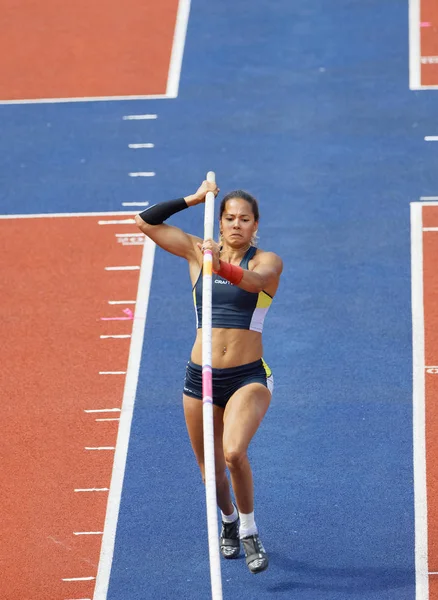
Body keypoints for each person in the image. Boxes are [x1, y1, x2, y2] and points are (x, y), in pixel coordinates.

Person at [135, 179, 283, 574]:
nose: (237, 224)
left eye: (245, 219)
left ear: (255, 225)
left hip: (247, 376)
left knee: (234, 452)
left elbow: (253, 283)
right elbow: (145, 223)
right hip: (199, 377)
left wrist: (219, 265)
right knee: (211, 472)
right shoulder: (196, 253)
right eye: (230, 218)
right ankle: (229, 520)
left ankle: (250, 530)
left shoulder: (265, 261)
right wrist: (193, 198)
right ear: (219, 222)